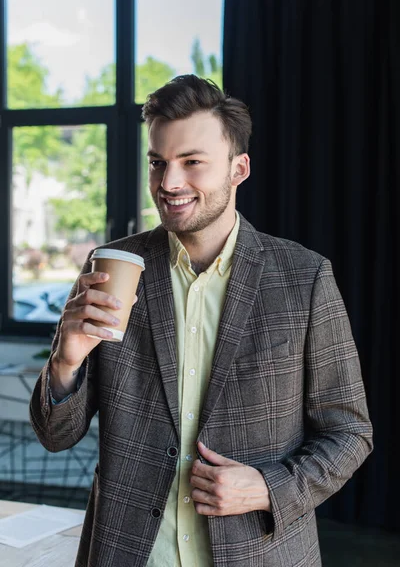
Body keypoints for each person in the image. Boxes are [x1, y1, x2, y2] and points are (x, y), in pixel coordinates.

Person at [30, 75, 373, 567]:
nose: (169, 183)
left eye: (192, 162)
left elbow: (350, 434)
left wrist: (267, 488)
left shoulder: (303, 278)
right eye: (158, 163)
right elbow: (55, 435)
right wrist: (65, 361)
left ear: (239, 169)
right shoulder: (110, 267)